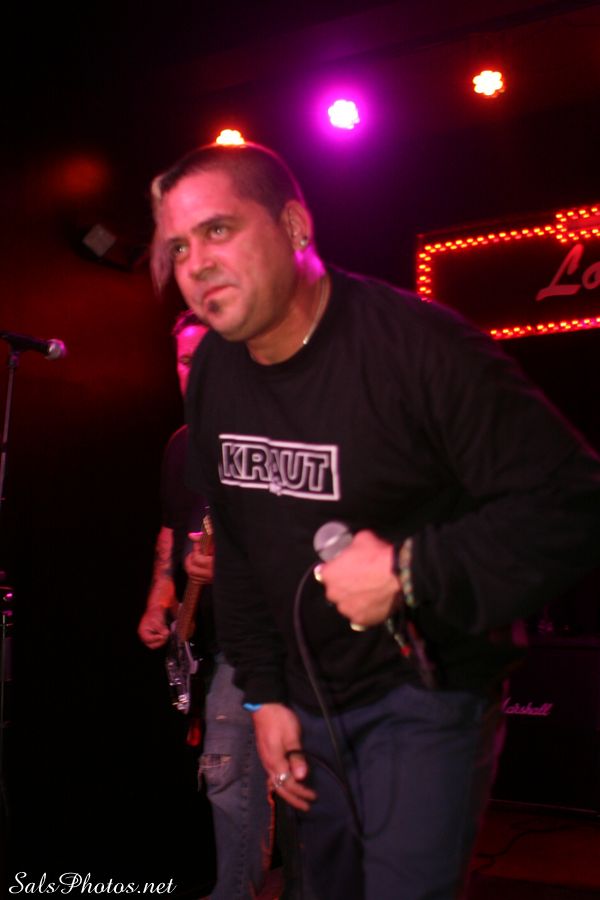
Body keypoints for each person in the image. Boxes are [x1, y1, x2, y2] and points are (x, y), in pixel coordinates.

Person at [148, 142, 600, 900]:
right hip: (307, 701)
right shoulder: (216, 372)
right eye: (179, 247)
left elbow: (574, 500)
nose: (195, 263)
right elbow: (242, 547)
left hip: (424, 692)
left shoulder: (417, 348)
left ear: (294, 227)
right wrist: (264, 695)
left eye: (218, 229)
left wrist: (408, 570)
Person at [137, 309, 273, 900]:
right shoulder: (183, 445)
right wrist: (159, 600)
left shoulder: (271, 436)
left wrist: (232, 568)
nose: (194, 372)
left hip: (271, 637)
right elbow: (172, 531)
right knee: (236, 775)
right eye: (185, 360)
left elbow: (307, 545)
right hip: (214, 641)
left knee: (234, 773)